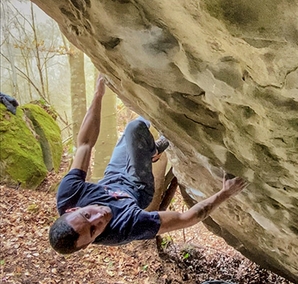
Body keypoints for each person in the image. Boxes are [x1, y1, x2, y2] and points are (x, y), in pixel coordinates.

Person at [49, 76, 246, 255]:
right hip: (138, 187)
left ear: (71, 210)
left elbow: (85, 143)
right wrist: (224, 194)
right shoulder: (126, 228)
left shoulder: (69, 195)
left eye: (87, 214)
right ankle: (151, 150)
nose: (99, 216)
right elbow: (186, 218)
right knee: (134, 129)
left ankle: (152, 149)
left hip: (114, 174)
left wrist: (98, 95)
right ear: (91, 242)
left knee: (140, 121)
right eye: (94, 229)